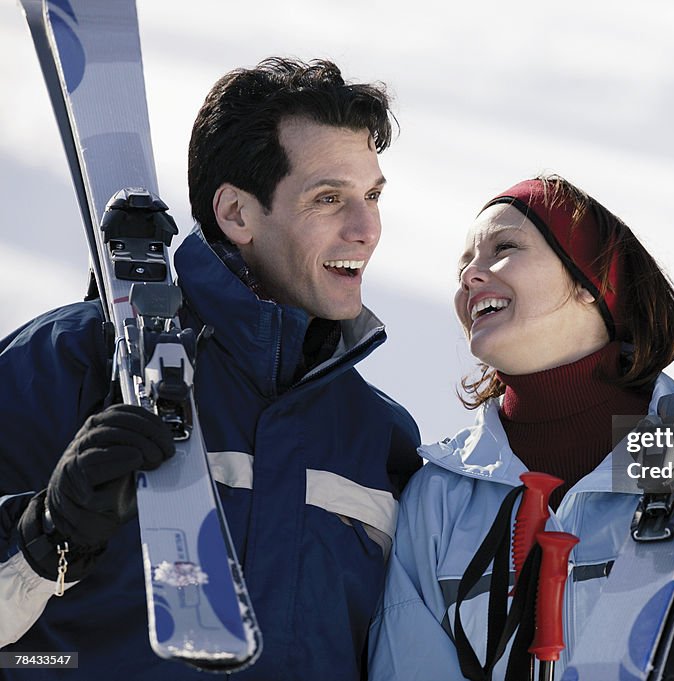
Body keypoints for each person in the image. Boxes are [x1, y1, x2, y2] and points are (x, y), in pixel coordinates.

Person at [0, 57, 421, 680]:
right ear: (237, 215)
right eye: (329, 198)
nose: (366, 229)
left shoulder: (378, 437)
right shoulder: (69, 362)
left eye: (372, 196)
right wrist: (48, 538)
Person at [369, 176, 674, 680]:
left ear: (594, 280)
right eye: (464, 264)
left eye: (504, 249)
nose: (471, 276)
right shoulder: (440, 495)